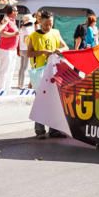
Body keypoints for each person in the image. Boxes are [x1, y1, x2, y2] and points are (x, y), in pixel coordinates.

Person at [26, 10, 68, 138]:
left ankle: (54, 129)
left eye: (50, 24)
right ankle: (39, 130)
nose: (48, 27)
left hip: (54, 72)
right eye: (45, 24)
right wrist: (42, 52)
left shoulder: (56, 33)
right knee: (41, 101)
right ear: (40, 22)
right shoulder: (33, 36)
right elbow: (29, 53)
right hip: (39, 73)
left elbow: (65, 46)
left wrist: (60, 49)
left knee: (55, 101)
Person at [0, 6, 19, 90]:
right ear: (12, 11)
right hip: (6, 49)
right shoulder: (6, 20)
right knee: (4, 70)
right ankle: (0, 89)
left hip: (13, 49)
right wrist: (14, 34)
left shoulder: (13, 21)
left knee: (11, 70)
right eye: (16, 11)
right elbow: (2, 33)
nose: (17, 12)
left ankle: (7, 88)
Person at [16, 13, 35, 89]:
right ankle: (21, 85)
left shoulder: (22, 28)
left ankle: (20, 84)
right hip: (27, 49)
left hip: (22, 49)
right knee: (25, 67)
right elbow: (26, 40)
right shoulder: (28, 29)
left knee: (22, 67)